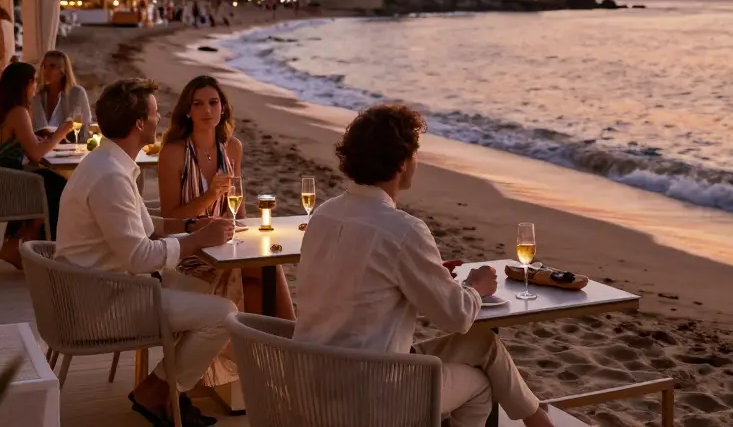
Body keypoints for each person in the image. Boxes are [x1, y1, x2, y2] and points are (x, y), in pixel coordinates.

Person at [295, 104, 553, 427]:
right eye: (415, 153)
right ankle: (538, 418)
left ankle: (536, 418)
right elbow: (456, 316)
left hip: (312, 382)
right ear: (403, 163)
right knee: (479, 385)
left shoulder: (323, 216)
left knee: (483, 343)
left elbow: (360, 281)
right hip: (371, 393)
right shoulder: (403, 230)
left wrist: (428, 277)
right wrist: (475, 287)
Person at [55, 78, 236, 427]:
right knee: (224, 314)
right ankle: (158, 391)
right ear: (139, 123)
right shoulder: (110, 176)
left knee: (204, 284)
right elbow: (139, 256)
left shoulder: (107, 163)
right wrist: (197, 242)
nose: (160, 119)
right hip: (104, 304)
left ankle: (172, 395)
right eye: (154, 113)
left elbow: (144, 223)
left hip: (99, 288)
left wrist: (189, 227)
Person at [157, 76, 294, 385]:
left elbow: (238, 210)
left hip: (225, 246)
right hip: (189, 252)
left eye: (213, 102)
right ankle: (279, 360)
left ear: (223, 108)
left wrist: (250, 234)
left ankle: (277, 360)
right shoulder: (174, 152)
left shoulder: (232, 148)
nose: (207, 110)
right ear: (187, 111)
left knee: (269, 266)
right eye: (198, 103)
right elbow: (169, 221)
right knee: (258, 279)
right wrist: (207, 198)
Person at [0, 62, 73, 269]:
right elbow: (37, 154)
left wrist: (35, 137)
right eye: (34, 81)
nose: (36, 86)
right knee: (62, 189)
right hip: (10, 186)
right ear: (26, 84)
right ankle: (49, 253)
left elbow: (13, 146)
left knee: (47, 182)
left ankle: (21, 245)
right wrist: (61, 132)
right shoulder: (18, 112)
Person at [31, 50, 92, 142]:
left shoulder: (77, 93)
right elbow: (39, 128)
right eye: (44, 66)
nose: (46, 71)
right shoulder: (37, 94)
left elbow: (84, 126)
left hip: (71, 148)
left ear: (63, 70)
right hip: (43, 147)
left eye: (52, 66)